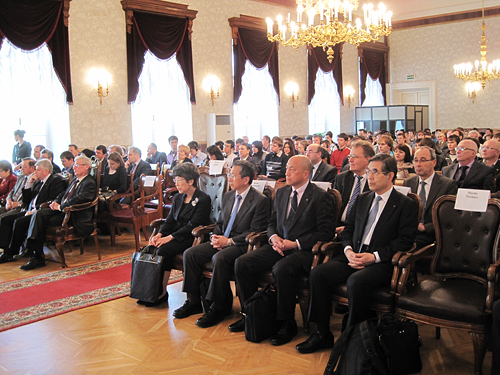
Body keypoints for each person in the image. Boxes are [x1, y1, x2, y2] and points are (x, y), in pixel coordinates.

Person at [297, 154, 418, 354]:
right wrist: (348, 250)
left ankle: (352, 339)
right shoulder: (363, 199)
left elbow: (404, 241)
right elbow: (349, 230)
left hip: (382, 261)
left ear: (390, 176)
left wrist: (375, 257)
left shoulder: (405, 204)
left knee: (356, 281)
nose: (369, 177)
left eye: (375, 172)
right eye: (368, 171)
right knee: (319, 273)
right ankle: (322, 333)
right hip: (354, 254)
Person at [233, 156, 335, 343]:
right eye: (286, 168)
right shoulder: (281, 192)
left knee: (281, 269)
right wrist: (273, 237)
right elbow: (271, 222)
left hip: (303, 251)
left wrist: (295, 243)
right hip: (279, 244)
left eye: (292, 169)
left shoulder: (320, 196)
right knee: (243, 263)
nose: (286, 172)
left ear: (306, 173)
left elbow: (325, 233)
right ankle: (251, 314)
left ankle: (286, 323)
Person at [174, 161, 269, 327]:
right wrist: (215, 236)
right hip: (222, 239)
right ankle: (194, 301)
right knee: (191, 253)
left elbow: (255, 231)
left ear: (246, 179)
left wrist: (229, 241)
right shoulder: (228, 195)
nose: (229, 179)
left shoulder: (260, 200)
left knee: (220, 258)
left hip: (241, 245)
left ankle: (218, 307)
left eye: (233, 175)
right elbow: (219, 222)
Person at [144, 163, 211, 307]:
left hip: (192, 237)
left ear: (191, 181)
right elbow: (170, 220)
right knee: (154, 247)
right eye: (175, 180)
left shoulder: (203, 199)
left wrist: (169, 237)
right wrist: (160, 234)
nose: (177, 183)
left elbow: (193, 225)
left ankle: (161, 292)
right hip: (176, 235)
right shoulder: (178, 197)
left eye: (179, 180)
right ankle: (152, 291)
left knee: (164, 249)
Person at [20, 155, 97, 270]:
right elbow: (63, 194)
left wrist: (61, 206)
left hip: (75, 215)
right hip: (63, 211)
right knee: (39, 215)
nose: (74, 168)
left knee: (40, 217)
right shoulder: (76, 180)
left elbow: (80, 199)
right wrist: (55, 202)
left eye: (76, 165)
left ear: (86, 167)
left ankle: (35, 250)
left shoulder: (89, 182)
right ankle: (36, 253)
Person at [0, 159, 66, 263]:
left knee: (19, 222)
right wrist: (29, 184)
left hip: (41, 211)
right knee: (6, 219)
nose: (35, 172)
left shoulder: (55, 180)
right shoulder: (38, 182)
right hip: (30, 209)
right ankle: (6, 250)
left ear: (46, 171)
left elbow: (53, 200)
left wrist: (36, 209)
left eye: (38, 170)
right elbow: (26, 200)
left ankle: (12, 252)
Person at [404, 147, 458, 249]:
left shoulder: (447, 184)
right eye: (416, 160)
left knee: (408, 245)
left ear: (434, 162)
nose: (418, 164)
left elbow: (451, 215)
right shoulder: (409, 182)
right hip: (410, 230)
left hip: (432, 233)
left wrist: (426, 227)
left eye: (423, 160)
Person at [334, 140, 374, 231]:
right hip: (338, 226)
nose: (350, 160)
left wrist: (348, 229)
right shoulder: (342, 178)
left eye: (354, 157)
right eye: (350, 156)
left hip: (361, 229)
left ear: (368, 159)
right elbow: (333, 207)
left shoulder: (374, 181)